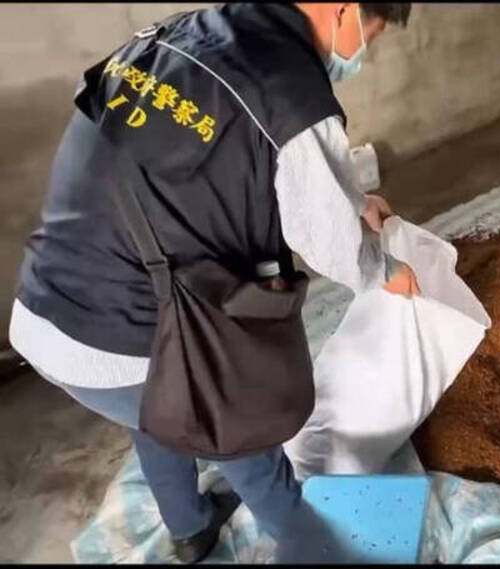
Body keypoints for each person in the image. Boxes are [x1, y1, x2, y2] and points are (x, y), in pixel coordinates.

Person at [8, 2, 413, 563]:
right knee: (246, 445)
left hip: (46, 309)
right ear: (344, 10)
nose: (365, 52)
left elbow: (224, 162)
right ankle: (320, 551)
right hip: (119, 335)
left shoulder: (190, 34)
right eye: (374, 32)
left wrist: (353, 201)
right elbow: (331, 245)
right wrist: (385, 273)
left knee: (156, 410)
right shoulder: (292, 92)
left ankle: (190, 529)